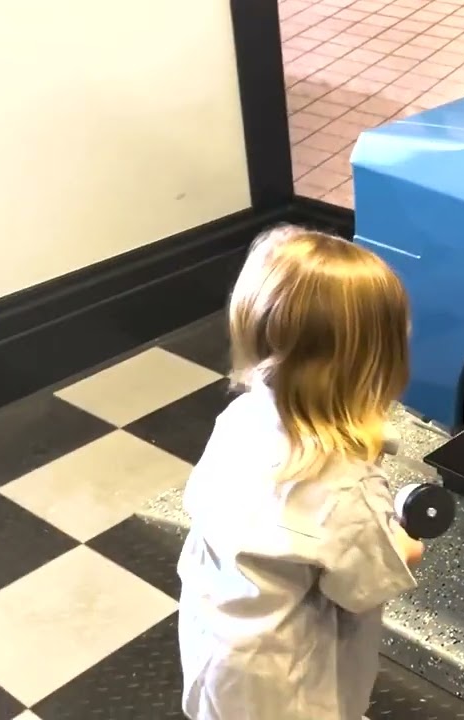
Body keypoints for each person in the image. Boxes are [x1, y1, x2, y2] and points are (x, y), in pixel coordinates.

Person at [177, 225, 425, 720]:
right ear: (374, 366)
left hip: (218, 644)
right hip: (288, 682)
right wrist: (406, 544)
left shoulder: (241, 418)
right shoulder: (346, 487)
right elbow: (363, 586)